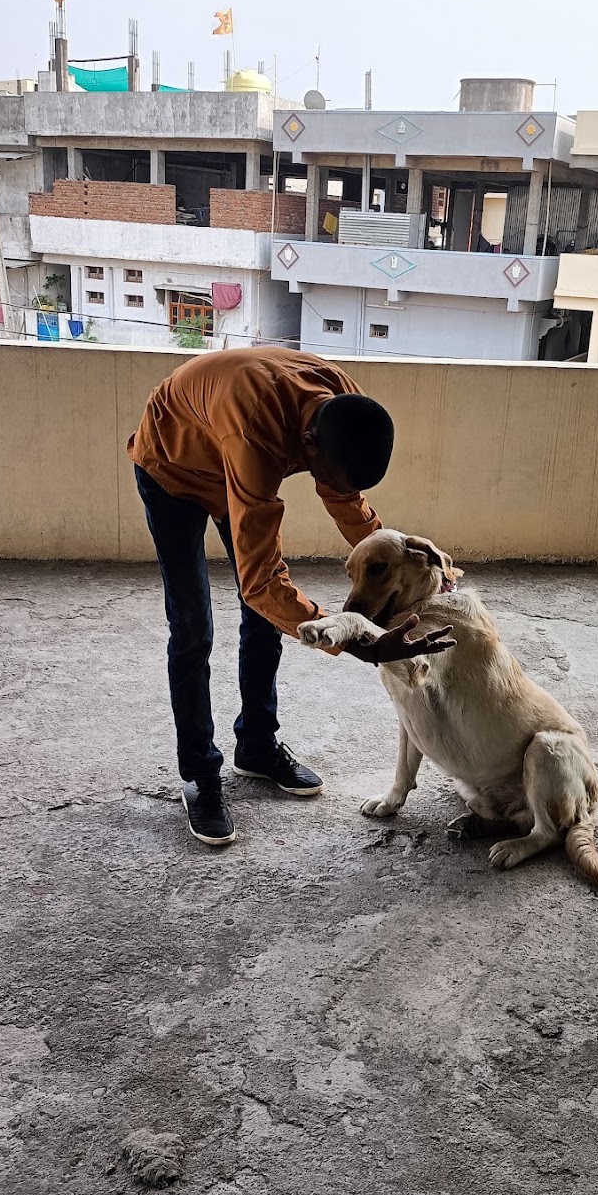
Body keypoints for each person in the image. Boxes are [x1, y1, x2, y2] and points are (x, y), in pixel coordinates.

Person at [129, 346, 454, 848]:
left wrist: (408, 567)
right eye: (324, 478)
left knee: (262, 621)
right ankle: (199, 773)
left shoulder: (344, 405)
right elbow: (262, 583)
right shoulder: (256, 436)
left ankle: (256, 746)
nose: (330, 489)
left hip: (233, 448)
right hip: (174, 466)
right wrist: (357, 642)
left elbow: (348, 502)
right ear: (307, 444)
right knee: (193, 627)